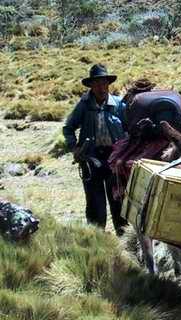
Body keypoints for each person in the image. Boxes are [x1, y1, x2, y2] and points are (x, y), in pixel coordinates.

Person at [62, 63, 128, 236]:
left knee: (119, 202)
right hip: (91, 161)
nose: (101, 87)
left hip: (115, 160)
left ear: (108, 84)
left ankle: (124, 242)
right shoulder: (83, 106)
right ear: (91, 86)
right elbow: (68, 128)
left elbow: (129, 130)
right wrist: (74, 147)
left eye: (104, 83)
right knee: (95, 204)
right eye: (97, 84)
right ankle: (97, 242)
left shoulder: (119, 105)